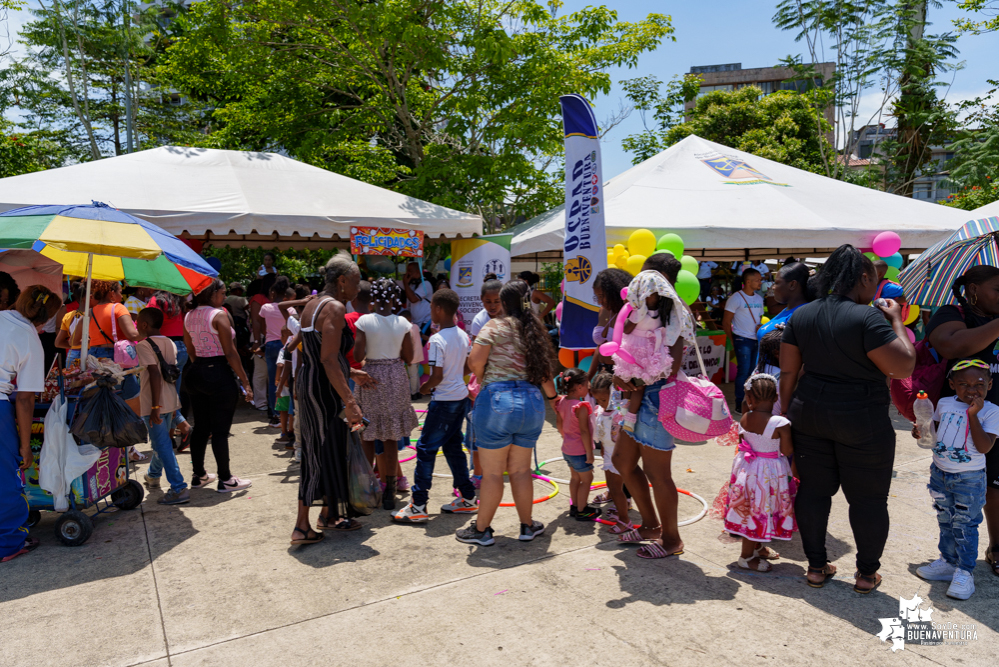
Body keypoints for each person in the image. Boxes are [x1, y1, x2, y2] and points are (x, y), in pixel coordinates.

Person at [779, 244, 916, 592]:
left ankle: (815, 567)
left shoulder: (801, 315)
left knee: (813, 491)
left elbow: (788, 375)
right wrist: (897, 319)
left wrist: (785, 421)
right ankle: (867, 574)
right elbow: (904, 366)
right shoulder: (868, 317)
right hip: (862, 419)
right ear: (865, 277)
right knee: (868, 500)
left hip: (808, 413)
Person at [458, 280, 558, 546]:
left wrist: (487, 378)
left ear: (504, 302)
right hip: (532, 403)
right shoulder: (533, 329)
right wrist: (555, 399)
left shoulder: (494, 326)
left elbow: (475, 362)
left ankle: (482, 531)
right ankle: (527, 526)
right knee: (521, 471)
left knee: (492, 474)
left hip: (497, 402)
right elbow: (546, 373)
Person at [610, 252, 693, 560]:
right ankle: (649, 525)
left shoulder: (675, 315)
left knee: (659, 475)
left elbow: (670, 366)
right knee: (622, 460)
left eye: (646, 279)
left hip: (657, 399)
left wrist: (635, 379)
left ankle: (672, 540)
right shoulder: (639, 311)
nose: (640, 286)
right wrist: (624, 377)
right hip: (636, 397)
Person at [926, 265, 999, 578]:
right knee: (962, 493)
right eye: (998, 289)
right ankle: (960, 555)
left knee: (997, 482)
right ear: (973, 289)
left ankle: (992, 547)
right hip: (964, 422)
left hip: (995, 414)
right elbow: (951, 345)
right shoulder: (951, 313)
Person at [293, 255, 368, 544]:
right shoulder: (335, 308)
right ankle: (301, 526)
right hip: (324, 390)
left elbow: (317, 353)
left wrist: (352, 371)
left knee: (329, 449)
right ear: (342, 281)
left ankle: (329, 515)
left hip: (310, 382)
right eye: (356, 280)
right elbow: (327, 359)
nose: (359, 287)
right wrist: (350, 401)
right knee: (319, 452)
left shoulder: (312, 304)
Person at [912, 360, 997, 600]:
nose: (972, 390)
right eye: (964, 384)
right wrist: (921, 430)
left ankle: (965, 572)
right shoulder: (944, 403)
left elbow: (984, 447)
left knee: (966, 524)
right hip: (940, 472)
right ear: (952, 385)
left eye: (979, 384)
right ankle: (948, 562)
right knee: (945, 519)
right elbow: (935, 431)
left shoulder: (991, 411)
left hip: (969, 478)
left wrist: (973, 415)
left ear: (989, 385)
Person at [393, 289, 478, 523]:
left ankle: (418, 505)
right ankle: (468, 498)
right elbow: (469, 366)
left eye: (431, 309)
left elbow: (437, 376)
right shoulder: (463, 335)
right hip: (460, 399)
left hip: (444, 402)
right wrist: (453, 376)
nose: (430, 313)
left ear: (439, 309)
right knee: (452, 448)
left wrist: (422, 389)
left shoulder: (437, 340)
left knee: (425, 449)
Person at [0, 286, 59, 562]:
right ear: (47, 317)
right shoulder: (29, 338)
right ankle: (8, 544)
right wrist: (25, 446)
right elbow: (24, 400)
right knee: (4, 479)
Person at [183, 279, 255, 493]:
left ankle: (199, 475)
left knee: (201, 427)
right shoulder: (219, 315)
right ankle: (226, 479)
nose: (224, 297)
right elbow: (231, 352)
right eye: (223, 293)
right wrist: (245, 382)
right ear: (213, 293)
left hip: (196, 372)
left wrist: (202, 367)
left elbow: (190, 349)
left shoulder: (189, 315)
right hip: (218, 371)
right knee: (220, 431)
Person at [720, 373, 796, 572]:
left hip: (748, 471)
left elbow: (742, 444)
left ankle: (757, 546)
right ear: (776, 398)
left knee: (751, 507)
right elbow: (787, 451)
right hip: (769, 473)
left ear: (749, 399)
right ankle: (746, 558)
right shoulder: (780, 423)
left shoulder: (744, 418)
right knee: (761, 509)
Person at [352, 278, 418, 509]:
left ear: (372, 298)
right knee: (390, 437)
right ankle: (390, 492)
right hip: (396, 377)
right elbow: (409, 357)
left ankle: (365, 491)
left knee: (366, 433)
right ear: (394, 298)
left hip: (370, 377)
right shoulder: (403, 323)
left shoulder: (364, 321)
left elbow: (358, 352)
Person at [610, 270, 683, 434]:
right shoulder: (641, 312)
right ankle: (623, 411)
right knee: (628, 382)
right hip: (636, 349)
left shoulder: (664, 314)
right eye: (648, 293)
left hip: (650, 350)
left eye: (655, 294)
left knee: (638, 385)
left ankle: (630, 416)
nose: (651, 297)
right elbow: (626, 330)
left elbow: (628, 329)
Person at [135, 308, 189, 505]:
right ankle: (153, 475)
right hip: (169, 400)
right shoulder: (170, 342)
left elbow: (156, 374)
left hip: (154, 403)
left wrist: (155, 406)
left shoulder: (143, 345)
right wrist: (173, 403)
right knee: (161, 443)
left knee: (162, 445)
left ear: (144, 325)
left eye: (137, 322)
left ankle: (179, 487)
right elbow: (172, 374)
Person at [147, 291, 192, 447]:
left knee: (163, 396)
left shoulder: (156, 301)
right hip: (181, 347)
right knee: (173, 395)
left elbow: (148, 322)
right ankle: (171, 436)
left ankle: (183, 429)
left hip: (163, 348)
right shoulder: (181, 301)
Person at [555, 368, 600, 521]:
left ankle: (574, 507)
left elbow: (559, 424)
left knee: (575, 478)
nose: (589, 387)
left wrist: (565, 436)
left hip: (567, 449)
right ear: (580, 387)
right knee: (587, 479)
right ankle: (582, 510)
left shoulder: (562, 401)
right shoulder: (580, 406)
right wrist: (589, 452)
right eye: (587, 384)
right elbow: (584, 432)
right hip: (579, 451)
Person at [755, 262, 813, 378]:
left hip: (779, 385)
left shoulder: (801, 315)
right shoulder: (787, 311)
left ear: (792, 284)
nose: (773, 287)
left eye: (777, 283)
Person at [589, 371, 630, 531]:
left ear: (614, 393)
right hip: (608, 456)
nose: (601, 403)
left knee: (616, 487)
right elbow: (603, 434)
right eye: (597, 400)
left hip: (618, 457)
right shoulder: (600, 410)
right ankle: (622, 506)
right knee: (611, 486)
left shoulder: (619, 413)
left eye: (604, 399)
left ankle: (624, 519)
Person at [723, 268, 764, 409]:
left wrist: (760, 327)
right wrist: (732, 339)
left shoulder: (759, 299)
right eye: (757, 280)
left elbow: (759, 319)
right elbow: (726, 322)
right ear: (748, 282)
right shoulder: (736, 298)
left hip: (756, 340)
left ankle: (750, 402)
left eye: (760, 279)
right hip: (742, 339)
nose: (760, 282)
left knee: (753, 372)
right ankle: (740, 404)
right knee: (744, 372)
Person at [258, 277, 293, 426]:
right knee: (287, 380)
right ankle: (287, 414)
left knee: (274, 381)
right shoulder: (290, 309)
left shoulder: (265, 308)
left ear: (273, 292)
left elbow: (261, 325)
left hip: (271, 344)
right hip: (287, 345)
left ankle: (276, 415)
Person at [588, 268, 633, 379]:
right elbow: (600, 347)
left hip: (623, 374)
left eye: (602, 296)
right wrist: (589, 377)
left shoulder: (631, 313)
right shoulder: (603, 311)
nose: (599, 301)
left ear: (615, 293)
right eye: (597, 297)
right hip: (602, 371)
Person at [403, 261, 434, 329]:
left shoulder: (425, 284)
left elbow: (413, 299)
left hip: (424, 323)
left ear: (417, 272)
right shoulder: (412, 285)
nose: (407, 273)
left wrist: (405, 283)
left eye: (410, 271)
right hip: (415, 323)